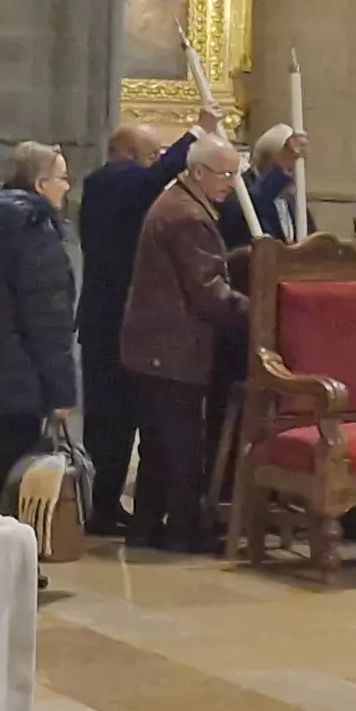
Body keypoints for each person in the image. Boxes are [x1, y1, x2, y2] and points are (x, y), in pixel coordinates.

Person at [117, 135, 250, 550]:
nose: (231, 183)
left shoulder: (177, 202)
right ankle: (183, 532)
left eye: (236, 173)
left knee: (157, 445)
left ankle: (145, 528)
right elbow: (208, 290)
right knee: (181, 448)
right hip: (173, 348)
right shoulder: (187, 216)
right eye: (225, 174)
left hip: (153, 348)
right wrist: (262, 312)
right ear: (198, 172)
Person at [0, 143, 79, 493]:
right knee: (14, 467)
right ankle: (8, 537)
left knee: (5, 454)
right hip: (27, 366)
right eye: (63, 178)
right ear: (41, 184)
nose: (67, 187)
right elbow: (47, 317)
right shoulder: (33, 230)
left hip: (1, 358)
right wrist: (61, 391)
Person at [73, 122, 166, 535]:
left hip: (120, 322)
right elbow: (149, 180)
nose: (155, 165)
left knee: (122, 417)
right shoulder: (108, 182)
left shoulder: (123, 184)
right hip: (108, 322)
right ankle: (97, 507)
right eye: (150, 155)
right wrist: (196, 134)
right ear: (126, 153)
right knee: (107, 420)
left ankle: (107, 503)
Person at [245, 123, 311, 243]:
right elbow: (257, 200)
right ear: (267, 159)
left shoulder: (293, 200)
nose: (291, 174)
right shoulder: (242, 191)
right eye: (289, 164)